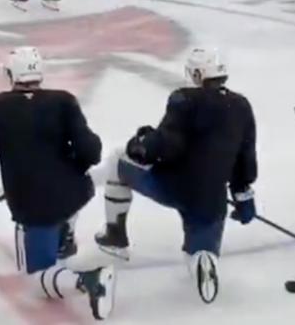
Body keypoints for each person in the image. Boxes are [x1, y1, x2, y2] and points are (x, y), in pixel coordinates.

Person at [0, 46, 114, 319]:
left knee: (35, 279)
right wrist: (73, 164)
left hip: (32, 205)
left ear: (10, 73)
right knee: (68, 199)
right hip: (73, 191)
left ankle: (87, 280)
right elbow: (91, 150)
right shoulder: (64, 101)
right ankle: (64, 232)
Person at [95, 47, 257, 304]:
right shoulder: (241, 105)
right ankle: (204, 260)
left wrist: (141, 143)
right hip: (211, 197)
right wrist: (243, 194)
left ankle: (116, 237)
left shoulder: (184, 99)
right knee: (197, 250)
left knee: (117, 160)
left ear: (196, 73)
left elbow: (166, 146)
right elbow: (244, 157)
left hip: (172, 185)